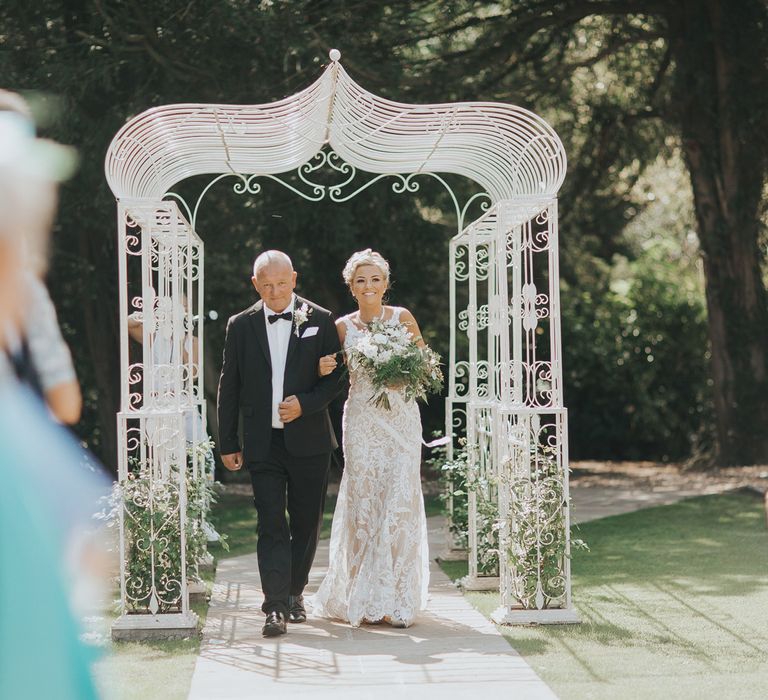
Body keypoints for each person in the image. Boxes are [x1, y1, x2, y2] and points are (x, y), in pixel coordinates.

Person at [217, 250, 345, 637]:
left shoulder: (320, 319)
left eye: (281, 284)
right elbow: (230, 385)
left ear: (294, 278)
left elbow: (337, 378)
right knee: (270, 520)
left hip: (310, 440)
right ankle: (273, 606)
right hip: (262, 442)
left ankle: (294, 594)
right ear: (254, 284)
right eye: (266, 285)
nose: (274, 292)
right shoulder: (240, 325)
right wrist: (227, 441)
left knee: (306, 523)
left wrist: (304, 404)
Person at [310, 249, 430, 628]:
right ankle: (363, 593)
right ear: (351, 287)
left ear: (386, 284)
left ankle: (397, 598)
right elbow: (328, 374)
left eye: (375, 279)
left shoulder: (403, 318)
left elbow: (427, 367)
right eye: (361, 280)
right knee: (365, 501)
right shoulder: (343, 327)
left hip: (401, 422)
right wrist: (322, 365)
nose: (369, 286)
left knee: (398, 501)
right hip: (362, 422)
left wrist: (405, 376)